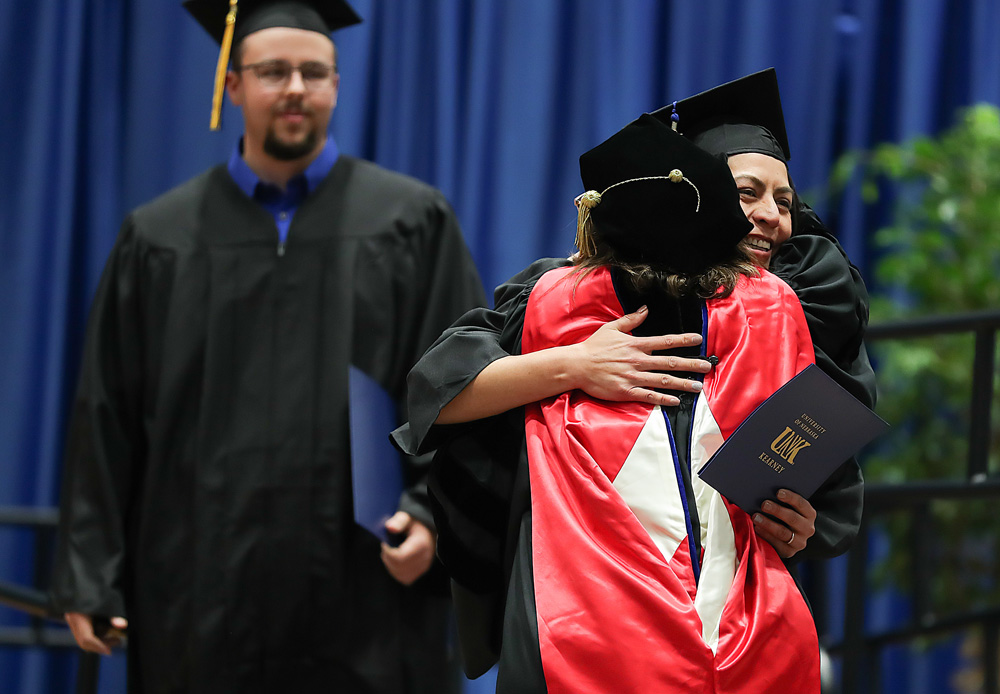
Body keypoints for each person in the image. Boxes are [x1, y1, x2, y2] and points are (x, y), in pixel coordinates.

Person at [51, 1, 485, 692]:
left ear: (336, 85)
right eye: (273, 71)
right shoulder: (159, 237)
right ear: (233, 85)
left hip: (364, 589)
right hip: (199, 586)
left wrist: (430, 515)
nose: (295, 89)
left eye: (314, 73)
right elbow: (106, 412)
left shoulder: (410, 222)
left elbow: (464, 387)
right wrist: (89, 573)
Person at [392, 69, 874, 682]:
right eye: (747, 192)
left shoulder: (782, 314)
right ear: (691, 190)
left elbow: (816, 496)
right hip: (580, 615)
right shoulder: (570, 295)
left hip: (732, 624)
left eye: (785, 202)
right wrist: (575, 364)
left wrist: (796, 523)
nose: (770, 216)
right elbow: (437, 394)